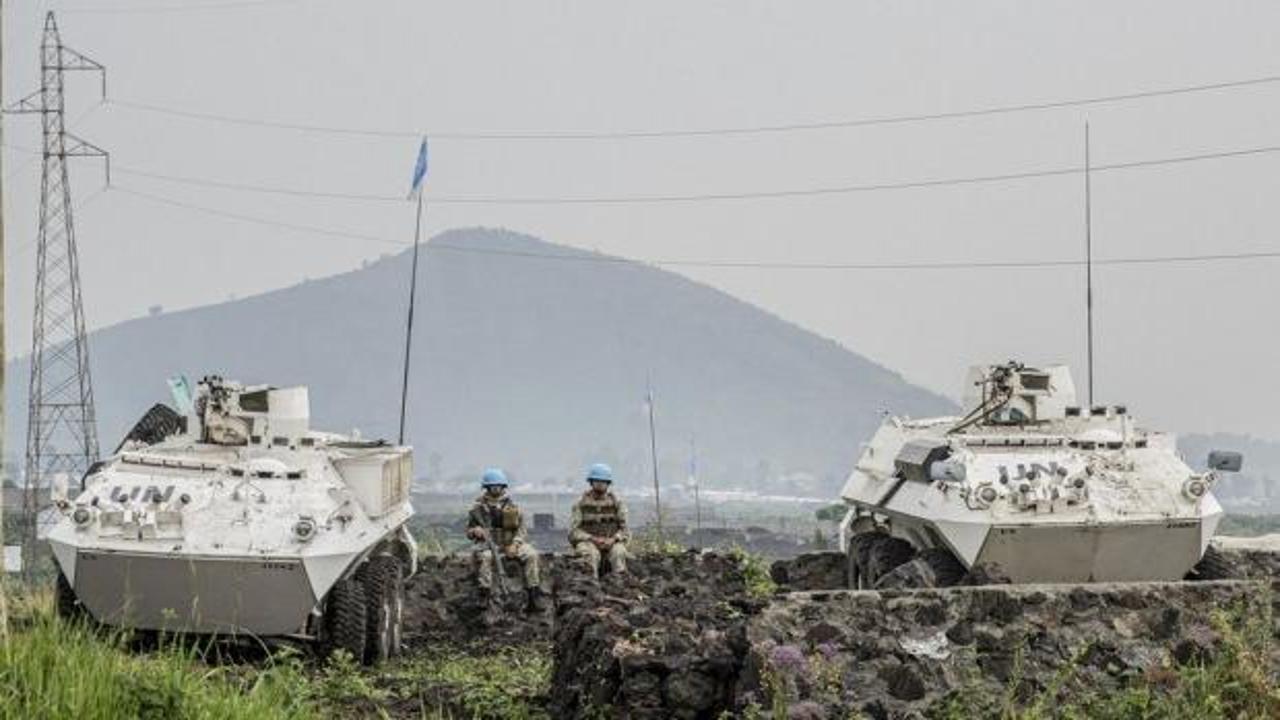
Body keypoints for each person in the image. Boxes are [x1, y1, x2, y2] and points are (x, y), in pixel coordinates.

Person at [466, 468, 543, 612]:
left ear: (503, 487)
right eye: (492, 486)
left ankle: (534, 596)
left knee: (532, 555)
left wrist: (515, 544)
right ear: (487, 487)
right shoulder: (477, 508)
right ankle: (484, 594)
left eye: (498, 486)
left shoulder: (513, 507)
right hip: (488, 545)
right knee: (485, 558)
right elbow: (468, 531)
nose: (496, 489)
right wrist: (475, 531)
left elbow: (522, 529)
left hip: (510, 543)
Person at [569, 463, 630, 578]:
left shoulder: (617, 503)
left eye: (603, 481)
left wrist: (613, 539)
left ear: (608, 484)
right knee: (590, 555)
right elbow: (573, 532)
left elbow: (625, 530)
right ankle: (591, 584)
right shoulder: (580, 504)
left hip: (612, 541)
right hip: (588, 542)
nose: (600, 484)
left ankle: (620, 583)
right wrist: (592, 539)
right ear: (591, 482)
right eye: (597, 481)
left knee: (619, 553)